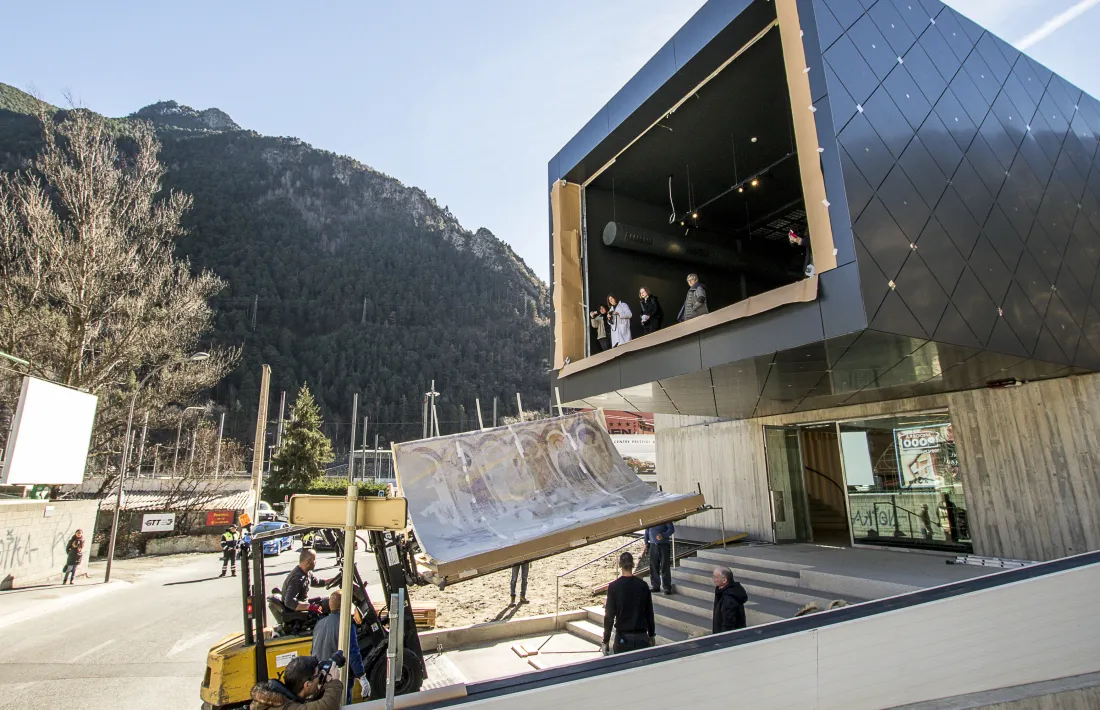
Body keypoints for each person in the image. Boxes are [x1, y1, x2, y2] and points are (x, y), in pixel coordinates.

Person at [311, 591, 370, 702]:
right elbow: (352, 651)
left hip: (321, 675)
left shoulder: (319, 624)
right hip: (339, 676)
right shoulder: (346, 623)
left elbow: (313, 651)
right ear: (345, 604)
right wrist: (361, 676)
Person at [601, 552, 655, 655]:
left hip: (623, 638)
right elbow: (649, 613)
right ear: (633, 565)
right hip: (641, 636)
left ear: (620, 565)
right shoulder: (643, 586)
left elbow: (609, 617)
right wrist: (651, 635)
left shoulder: (614, 587)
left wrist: (606, 640)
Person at [249, 654, 344, 710]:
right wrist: (333, 682)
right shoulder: (286, 707)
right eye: (317, 675)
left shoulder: (280, 698)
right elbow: (328, 706)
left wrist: (323, 686)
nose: (319, 677)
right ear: (307, 685)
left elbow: (308, 705)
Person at [712, 567, 748, 633]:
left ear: (724, 580)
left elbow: (728, 623)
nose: (713, 579)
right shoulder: (721, 591)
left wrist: (723, 640)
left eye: (715, 577)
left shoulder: (729, 598)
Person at [644, 522, 674, 594]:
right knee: (653, 566)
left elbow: (671, 529)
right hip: (652, 545)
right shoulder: (650, 518)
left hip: (663, 544)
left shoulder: (665, 517)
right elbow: (647, 530)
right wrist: (646, 542)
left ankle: (667, 587)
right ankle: (655, 586)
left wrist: (663, 535)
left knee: (665, 566)